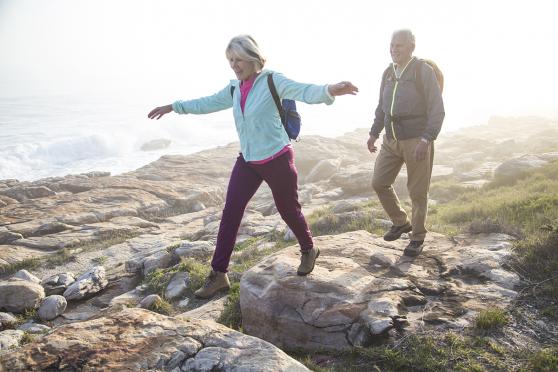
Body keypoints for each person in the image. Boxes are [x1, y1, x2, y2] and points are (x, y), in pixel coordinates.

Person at [149, 35, 358, 299]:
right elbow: (207, 103)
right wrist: (173, 107)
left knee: (288, 210)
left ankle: (308, 249)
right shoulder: (235, 88)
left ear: (252, 57)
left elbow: (303, 90)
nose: (234, 66)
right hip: (248, 160)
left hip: (277, 158)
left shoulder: (272, 80)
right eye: (230, 61)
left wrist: (330, 90)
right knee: (231, 212)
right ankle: (219, 274)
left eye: (238, 60)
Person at [367, 29, 444, 257]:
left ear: (411, 46)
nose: (394, 49)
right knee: (379, 182)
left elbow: (437, 109)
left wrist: (426, 139)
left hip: (417, 141)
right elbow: (382, 107)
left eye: (399, 45)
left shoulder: (423, 71)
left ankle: (417, 237)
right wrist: (374, 133)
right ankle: (400, 222)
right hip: (391, 140)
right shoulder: (387, 73)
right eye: (392, 45)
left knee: (417, 192)